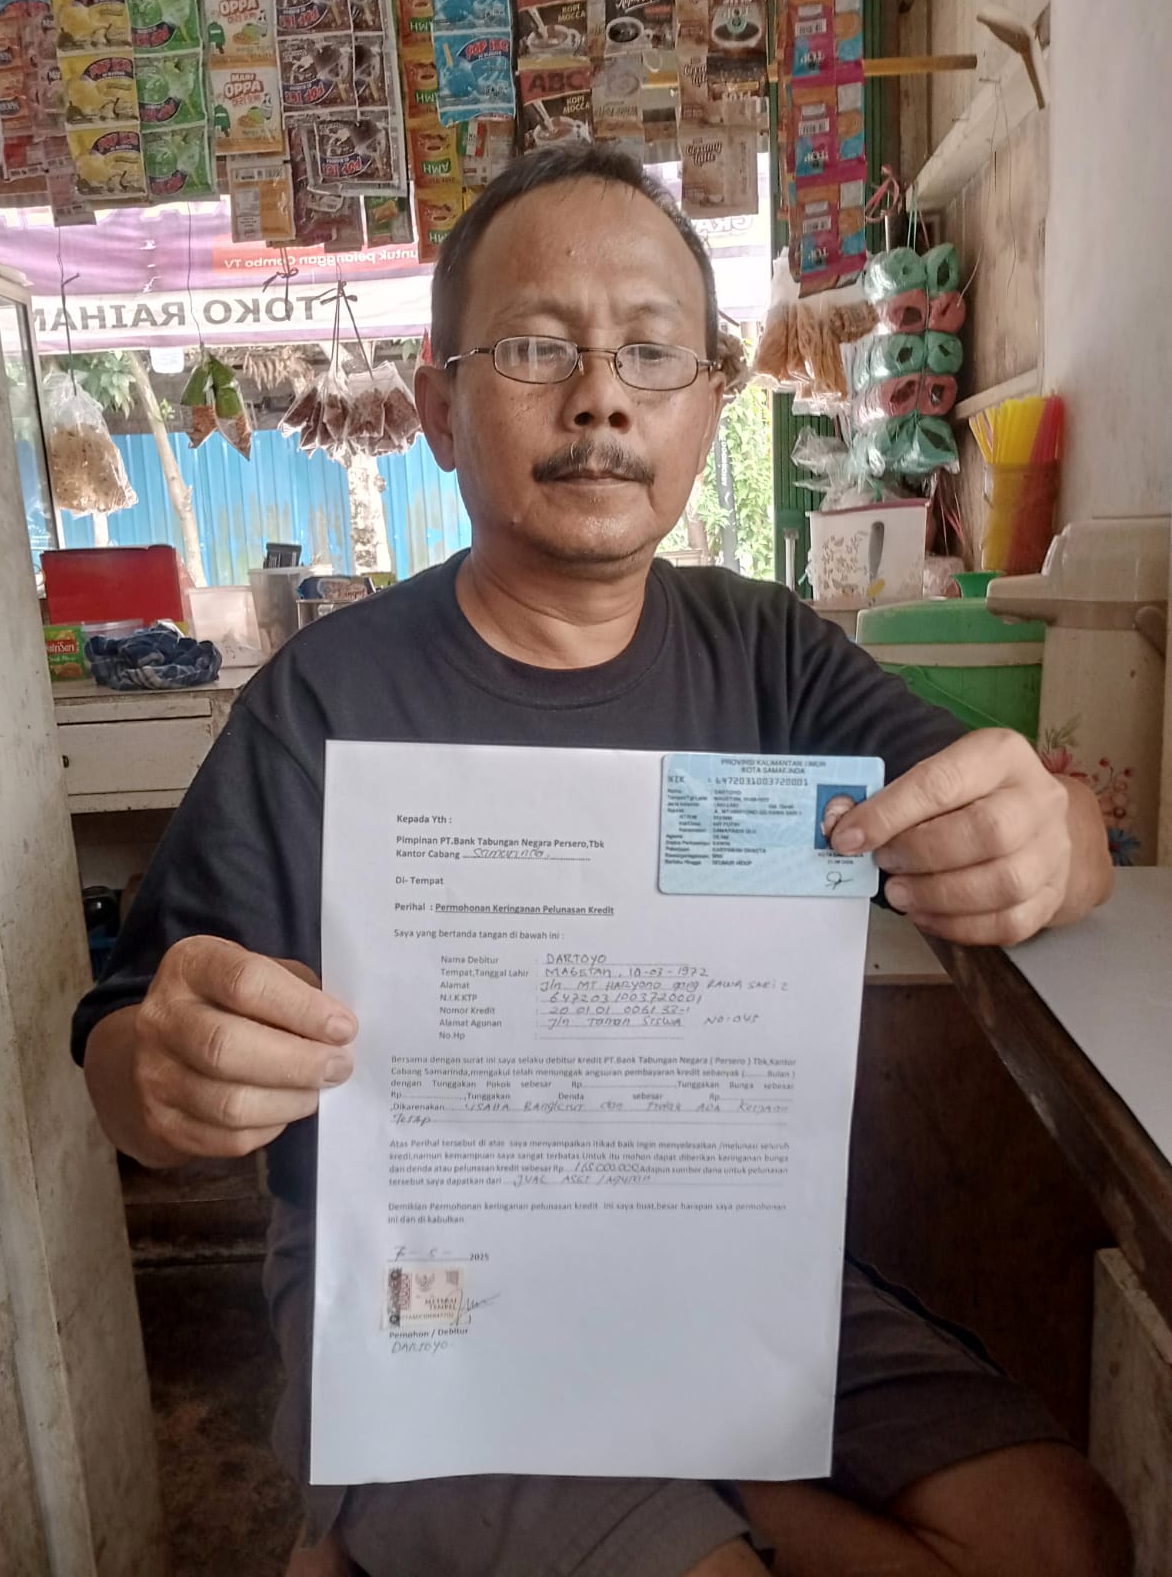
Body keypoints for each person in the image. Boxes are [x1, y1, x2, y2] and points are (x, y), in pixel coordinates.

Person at [74, 145, 1130, 1577]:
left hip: (717, 1265)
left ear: (708, 402)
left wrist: (1053, 844)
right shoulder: (324, 701)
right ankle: (510, 1489)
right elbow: (125, 1053)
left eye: (652, 349)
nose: (601, 397)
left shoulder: (769, 658)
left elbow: (1040, 826)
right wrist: (163, 1074)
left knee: (1056, 1533)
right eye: (534, 347)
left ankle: (690, 1467)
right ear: (439, 409)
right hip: (426, 1300)